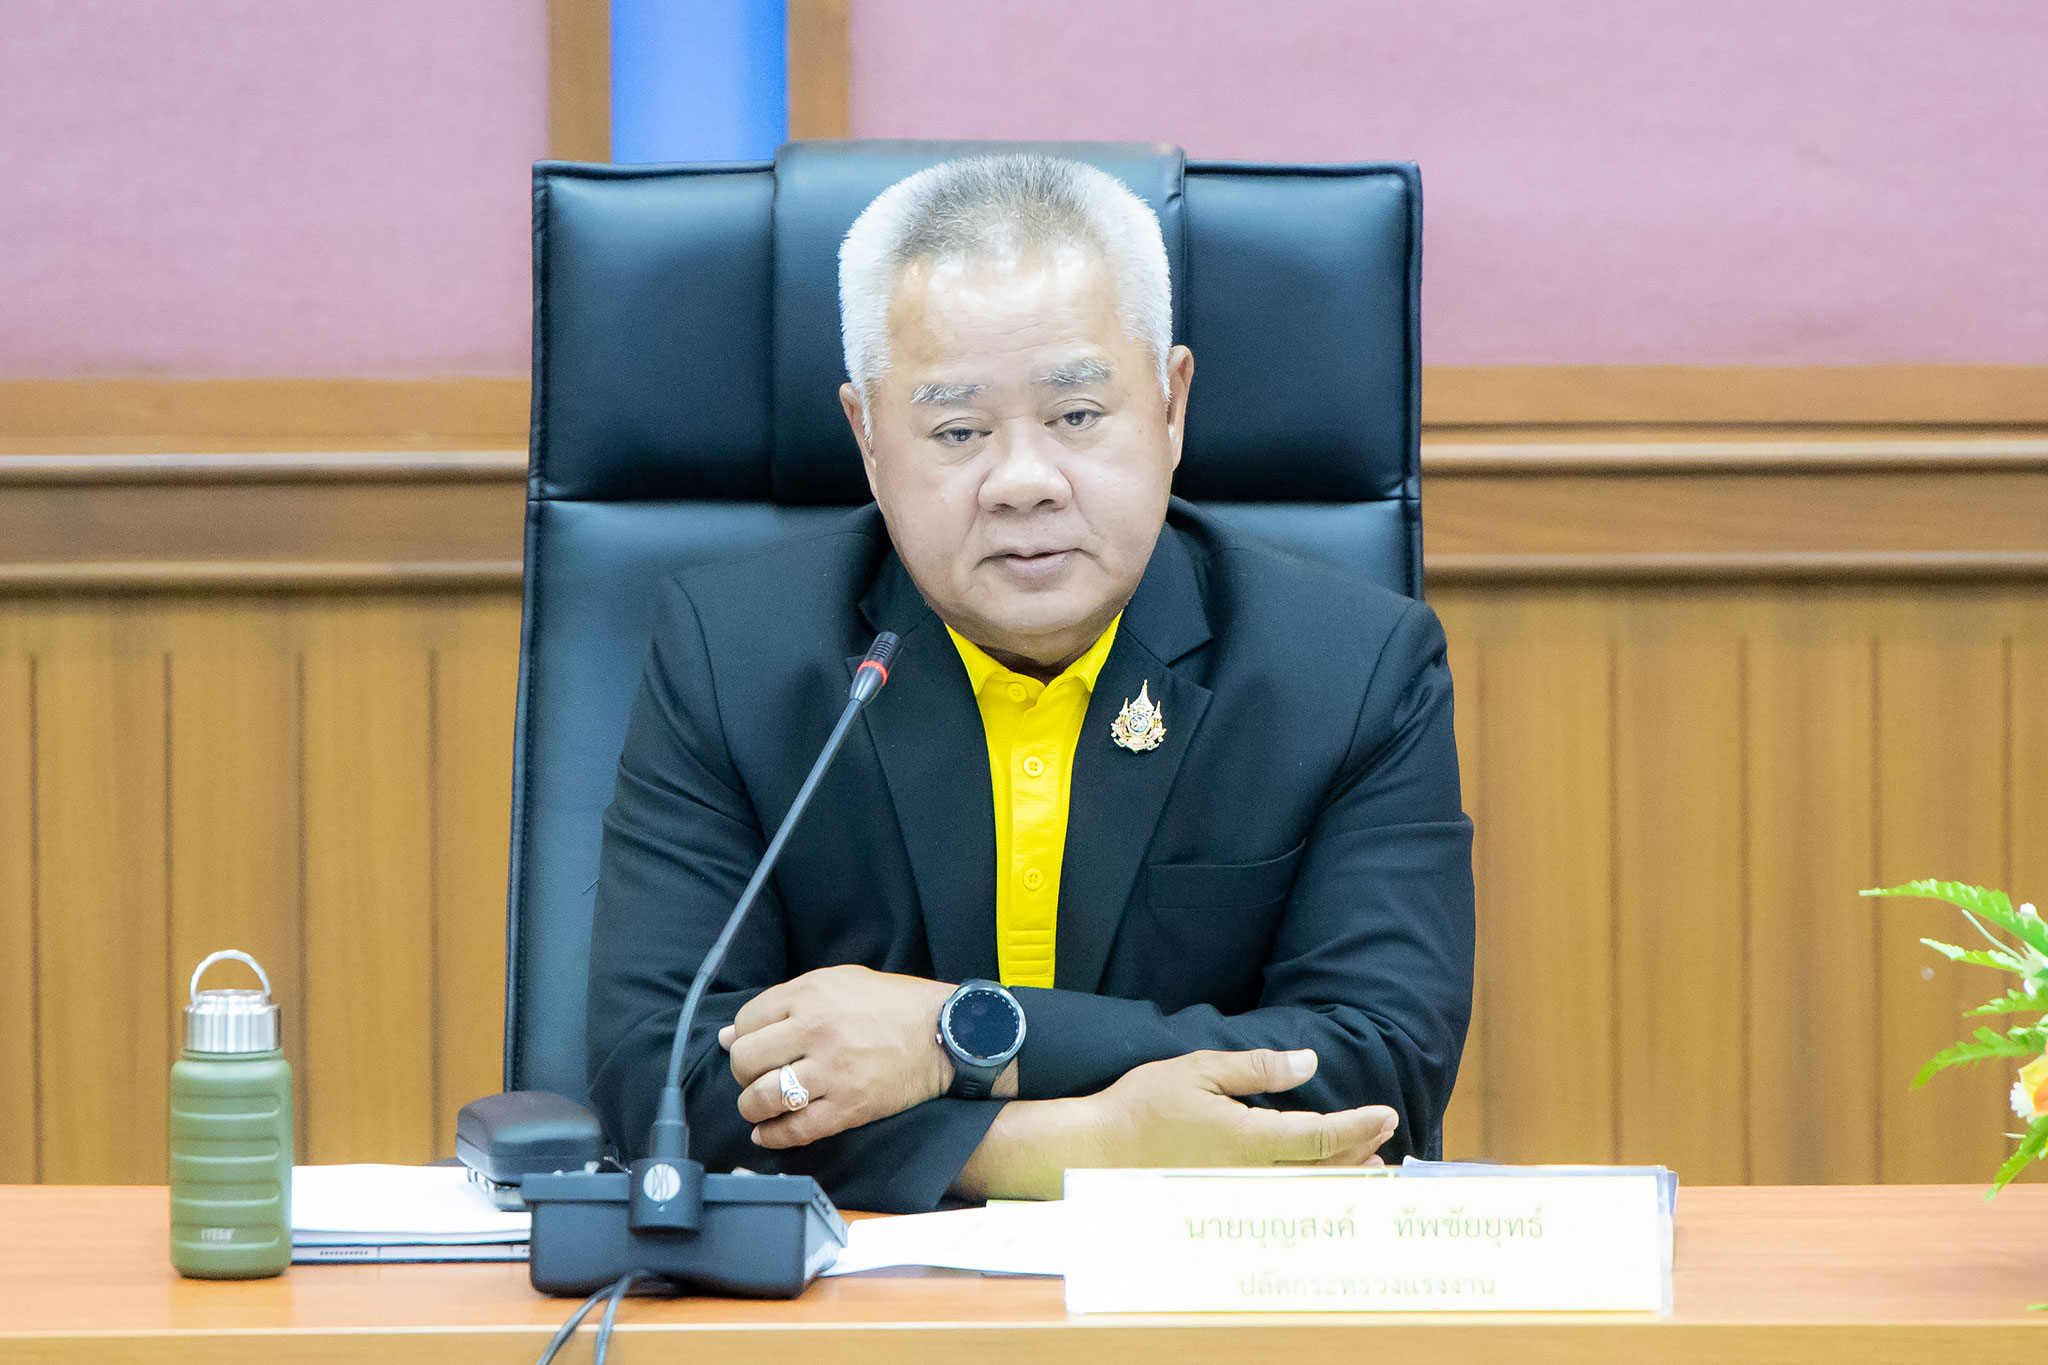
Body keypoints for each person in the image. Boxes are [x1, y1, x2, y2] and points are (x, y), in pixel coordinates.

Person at [587, 154, 1474, 1213]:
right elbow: (660, 1076)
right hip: (858, 1292)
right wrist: (1077, 1144)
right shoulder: (734, 656)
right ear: (868, 437)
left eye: (1077, 415)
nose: (1022, 482)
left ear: (1171, 405)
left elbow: (1377, 1064)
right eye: (958, 431)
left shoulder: (1351, 668)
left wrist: (948, 1037)